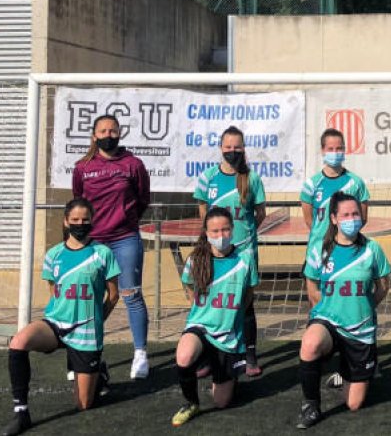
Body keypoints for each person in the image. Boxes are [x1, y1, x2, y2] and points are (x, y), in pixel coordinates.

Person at [2, 199, 120, 436]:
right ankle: (21, 413)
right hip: (55, 324)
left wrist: (96, 321)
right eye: (75, 220)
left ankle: (100, 374)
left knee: (84, 404)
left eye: (85, 220)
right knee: (18, 342)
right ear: (66, 221)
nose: (80, 224)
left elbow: (114, 295)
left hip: (86, 329)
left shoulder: (102, 253)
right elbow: (53, 290)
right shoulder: (53, 254)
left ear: (92, 220)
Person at [295, 193, 391, 429]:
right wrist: (327, 311)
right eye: (346, 215)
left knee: (354, 403)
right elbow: (313, 289)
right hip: (329, 322)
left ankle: (348, 370)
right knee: (310, 342)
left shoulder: (373, 249)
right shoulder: (320, 249)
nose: (352, 219)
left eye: (355, 214)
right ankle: (311, 406)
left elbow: (382, 287)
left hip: (360, 329)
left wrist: (362, 308)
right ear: (334, 219)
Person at [72, 114, 152, 379]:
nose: (108, 134)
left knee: (130, 294)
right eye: (103, 131)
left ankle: (140, 352)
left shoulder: (133, 165)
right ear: (94, 136)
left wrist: (123, 222)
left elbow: (142, 200)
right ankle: (84, 355)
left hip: (125, 239)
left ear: (120, 133)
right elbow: (79, 204)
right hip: (93, 242)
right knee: (90, 298)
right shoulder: (82, 167)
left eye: (113, 130)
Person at [170, 207, 259, 426]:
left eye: (226, 230)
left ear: (233, 229)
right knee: (183, 356)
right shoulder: (196, 260)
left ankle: (229, 374)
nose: (221, 236)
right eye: (215, 231)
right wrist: (205, 311)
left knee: (221, 402)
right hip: (200, 326)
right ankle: (191, 403)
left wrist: (230, 316)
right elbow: (190, 290)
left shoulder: (246, 259)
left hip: (228, 334)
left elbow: (248, 296)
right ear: (206, 232)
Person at [194, 126, 267, 376]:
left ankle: (250, 355)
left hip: (243, 251)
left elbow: (260, 214)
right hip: (214, 250)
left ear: (243, 149)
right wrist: (212, 237)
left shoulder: (252, 179)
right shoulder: (207, 178)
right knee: (211, 301)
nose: (232, 152)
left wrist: (243, 237)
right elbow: (203, 211)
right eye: (228, 147)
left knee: (245, 303)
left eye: (237, 148)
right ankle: (206, 355)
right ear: (221, 148)